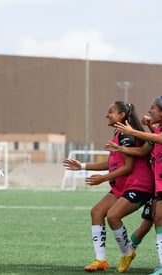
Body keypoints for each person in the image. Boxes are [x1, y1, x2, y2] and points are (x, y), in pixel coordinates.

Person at [63, 101, 154, 273]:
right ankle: (100, 260)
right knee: (97, 212)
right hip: (124, 185)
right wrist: (82, 166)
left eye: (111, 111)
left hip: (139, 185)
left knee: (113, 216)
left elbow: (127, 167)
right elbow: (113, 163)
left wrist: (103, 179)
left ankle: (127, 253)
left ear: (122, 115)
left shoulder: (127, 136)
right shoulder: (118, 133)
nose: (107, 114)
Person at [111, 96, 162, 275]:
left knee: (156, 221)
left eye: (153, 108)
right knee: (150, 222)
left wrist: (133, 133)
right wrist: (121, 149)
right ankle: (129, 253)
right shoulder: (155, 132)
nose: (149, 111)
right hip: (157, 185)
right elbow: (144, 150)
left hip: (155, 184)